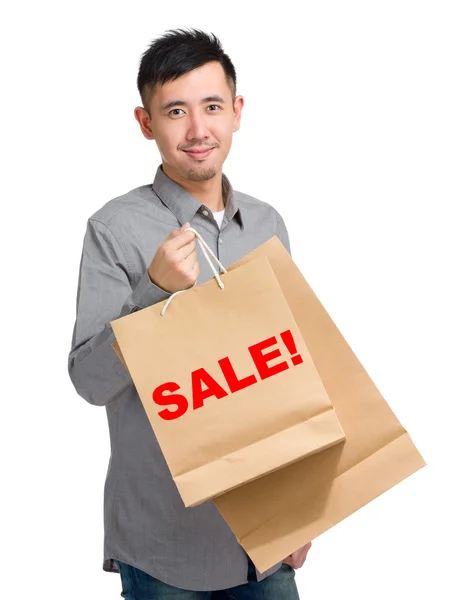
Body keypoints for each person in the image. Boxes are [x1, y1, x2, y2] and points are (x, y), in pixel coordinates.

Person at [68, 28, 312, 599]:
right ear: (145, 122)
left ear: (237, 111)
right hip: (164, 545)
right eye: (175, 110)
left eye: (212, 107)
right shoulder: (114, 230)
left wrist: (304, 509)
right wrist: (154, 292)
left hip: (266, 541)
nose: (198, 130)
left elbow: (292, 375)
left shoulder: (268, 224)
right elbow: (88, 381)